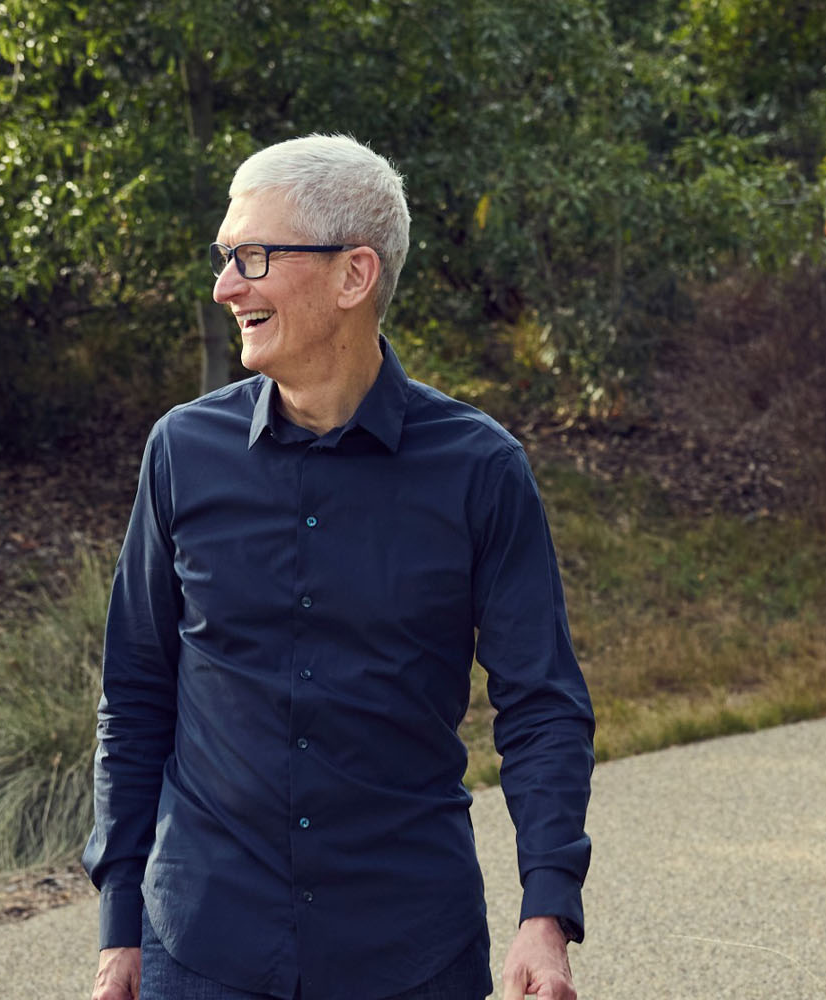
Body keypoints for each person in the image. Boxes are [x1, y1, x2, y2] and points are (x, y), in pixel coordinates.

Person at [84, 134, 594, 1000]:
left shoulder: (480, 469)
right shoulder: (181, 452)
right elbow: (135, 694)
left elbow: (541, 705)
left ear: (354, 275)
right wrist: (118, 927)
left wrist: (545, 914)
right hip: (204, 945)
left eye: (252, 256)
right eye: (223, 258)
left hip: (409, 955)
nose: (224, 286)